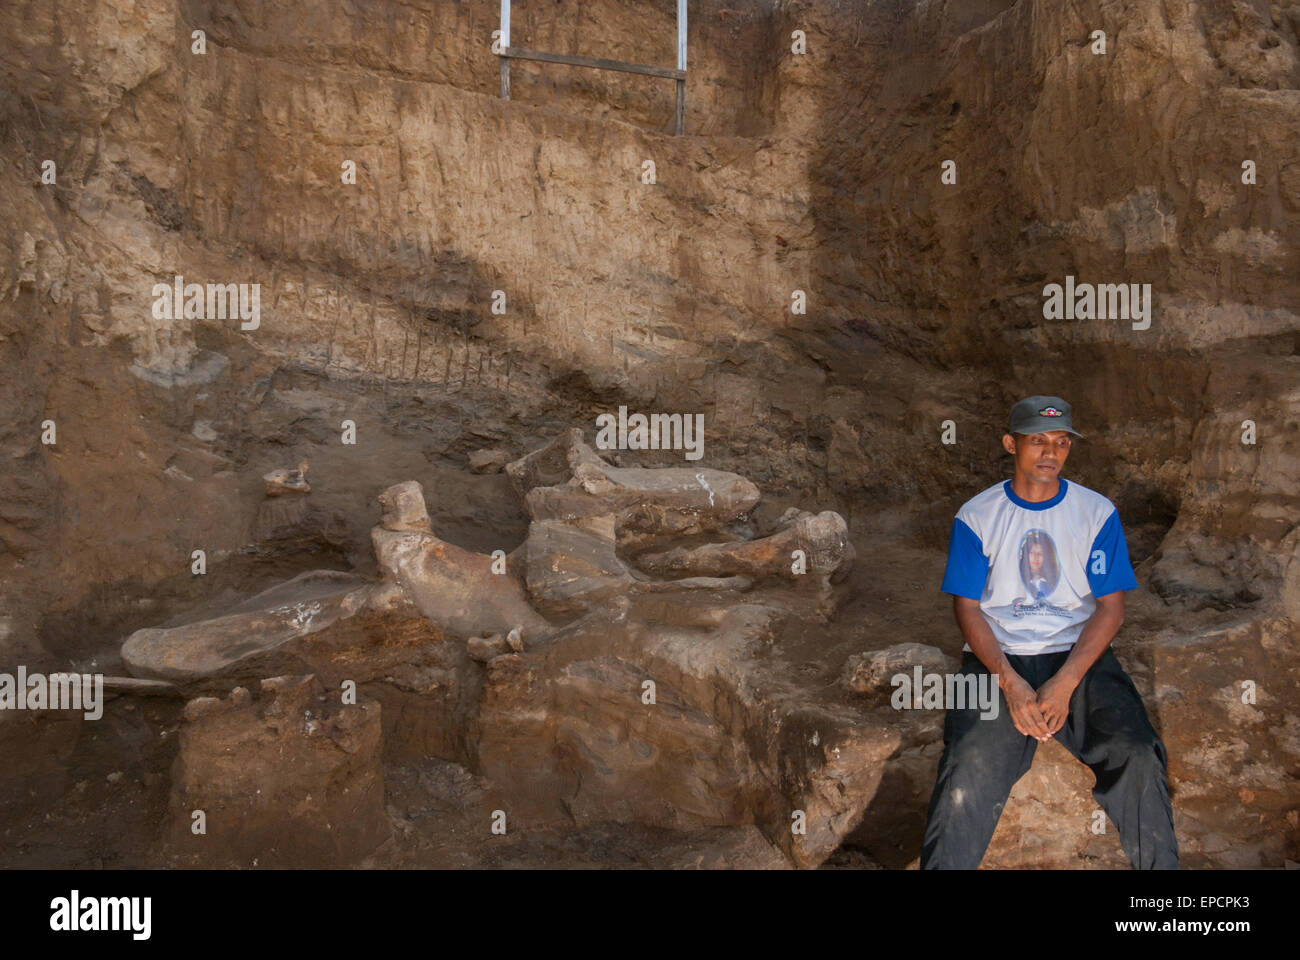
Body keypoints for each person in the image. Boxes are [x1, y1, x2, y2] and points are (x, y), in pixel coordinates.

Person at [921, 395, 1178, 869]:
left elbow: (1110, 608)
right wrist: (1010, 683)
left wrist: (1065, 681)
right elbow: (968, 610)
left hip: (1079, 657)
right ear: (1010, 444)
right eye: (1037, 440)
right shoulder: (977, 516)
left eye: (1060, 443)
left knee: (1138, 754)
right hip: (995, 658)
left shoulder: (1095, 512)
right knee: (966, 770)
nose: (1050, 453)